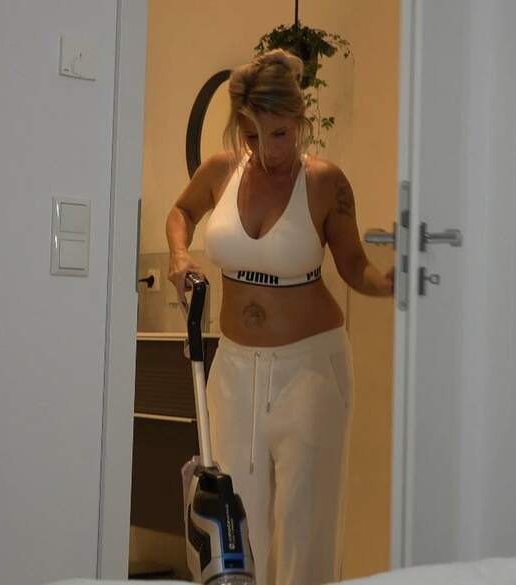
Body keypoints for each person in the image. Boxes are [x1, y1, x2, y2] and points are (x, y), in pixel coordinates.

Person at [166, 48, 393, 585]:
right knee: (234, 525)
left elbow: (354, 266)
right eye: (253, 135)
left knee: (305, 529)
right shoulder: (221, 170)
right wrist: (179, 256)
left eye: (280, 134)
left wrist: (390, 283)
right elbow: (182, 212)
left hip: (309, 370)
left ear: (300, 120)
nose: (268, 150)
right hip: (234, 370)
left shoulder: (324, 182)